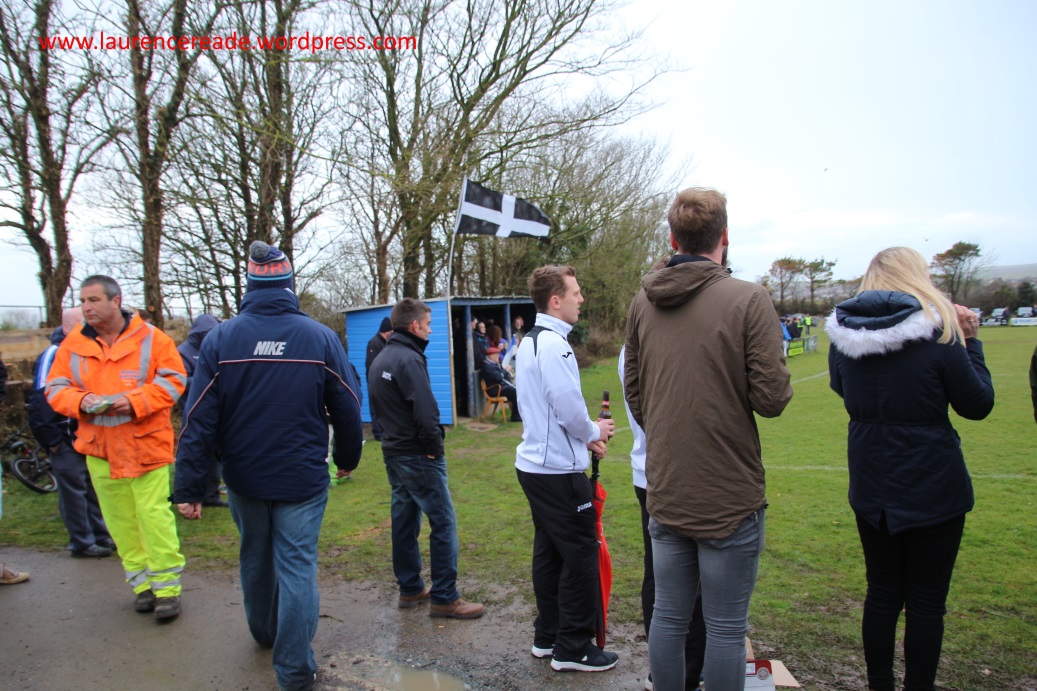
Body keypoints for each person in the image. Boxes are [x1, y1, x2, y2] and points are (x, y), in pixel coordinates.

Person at [174, 241, 364, 691]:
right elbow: (348, 406)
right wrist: (347, 459)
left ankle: (266, 634)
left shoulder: (221, 338)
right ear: (289, 284)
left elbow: (197, 418)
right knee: (296, 566)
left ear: (250, 285)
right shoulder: (319, 337)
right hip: (301, 476)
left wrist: (189, 486)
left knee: (256, 558)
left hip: (245, 476)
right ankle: (293, 669)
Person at [624, 187, 793, 691]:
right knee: (722, 627)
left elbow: (636, 394)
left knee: (669, 616)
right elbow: (773, 398)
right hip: (726, 493)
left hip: (668, 486)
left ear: (673, 238)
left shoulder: (643, 301)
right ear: (724, 236)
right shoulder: (748, 299)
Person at [826, 247, 994, 691]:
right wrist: (972, 343)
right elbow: (977, 404)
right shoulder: (939, 334)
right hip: (932, 483)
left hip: (873, 481)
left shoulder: (844, 338)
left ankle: (880, 683)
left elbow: (841, 386)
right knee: (925, 601)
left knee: (882, 593)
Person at [45, 275, 187, 621]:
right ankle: (142, 586)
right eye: (83, 301)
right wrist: (81, 401)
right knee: (120, 521)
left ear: (116, 301)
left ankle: (167, 590)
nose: (87, 307)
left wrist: (133, 401)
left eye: (93, 300)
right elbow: (55, 388)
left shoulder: (152, 339)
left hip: (145, 446)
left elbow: (174, 381)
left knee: (153, 518)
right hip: (100, 449)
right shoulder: (73, 344)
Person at [514, 265, 617, 673]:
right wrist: (593, 430)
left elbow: (549, 408)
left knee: (550, 552)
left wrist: (584, 436)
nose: (581, 299)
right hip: (556, 471)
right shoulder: (553, 344)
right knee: (580, 554)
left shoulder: (529, 341)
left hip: (537, 466)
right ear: (555, 301)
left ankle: (548, 636)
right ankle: (572, 646)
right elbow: (568, 408)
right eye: (575, 293)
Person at [368, 298, 485, 620]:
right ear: (415, 325)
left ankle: (410, 588)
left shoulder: (382, 356)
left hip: (393, 451)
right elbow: (426, 409)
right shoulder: (408, 359)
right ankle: (445, 597)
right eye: (429, 324)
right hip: (416, 454)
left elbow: (380, 407)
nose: (430, 330)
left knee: (404, 520)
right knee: (443, 521)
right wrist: (435, 448)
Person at [619, 345, 705, 691]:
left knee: (661, 571)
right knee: (680, 575)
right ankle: (682, 670)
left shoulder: (635, 344)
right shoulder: (650, 343)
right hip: (669, 472)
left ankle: (671, 668)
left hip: (653, 470)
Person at [28, 307, 114, 558]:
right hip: (63, 437)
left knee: (91, 486)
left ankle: (101, 535)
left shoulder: (85, 353)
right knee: (73, 491)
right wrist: (52, 440)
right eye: (82, 323)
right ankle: (81, 542)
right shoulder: (54, 354)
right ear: (66, 328)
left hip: (85, 435)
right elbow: (41, 398)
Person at [176, 314, 226, 508]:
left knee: (215, 455)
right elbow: (178, 380)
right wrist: (205, 380)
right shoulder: (183, 352)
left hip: (215, 410)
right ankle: (188, 493)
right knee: (194, 451)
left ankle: (211, 494)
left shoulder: (215, 348)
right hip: (191, 408)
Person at [366, 317, 393, 441]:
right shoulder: (374, 344)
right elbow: (372, 365)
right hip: (376, 383)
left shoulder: (385, 343)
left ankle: (385, 431)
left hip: (384, 382)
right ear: (387, 331)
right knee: (376, 407)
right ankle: (378, 433)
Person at [480, 346, 520, 422]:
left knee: (517, 389)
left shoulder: (493, 364)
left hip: (500, 387)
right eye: (496, 354)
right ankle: (515, 417)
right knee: (514, 392)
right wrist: (505, 370)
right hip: (495, 390)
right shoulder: (487, 366)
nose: (498, 356)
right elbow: (499, 377)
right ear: (491, 356)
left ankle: (518, 414)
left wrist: (508, 373)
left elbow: (501, 376)